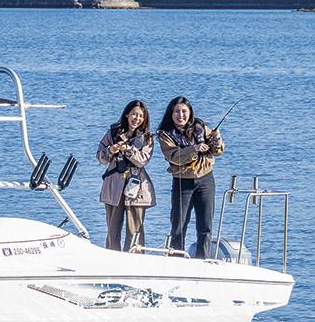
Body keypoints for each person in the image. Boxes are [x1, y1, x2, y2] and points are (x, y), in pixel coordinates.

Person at [157, 96, 224, 259]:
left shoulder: (201, 127)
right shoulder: (165, 134)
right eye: (177, 112)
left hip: (206, 179)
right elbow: (174, 157)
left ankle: (203, 260)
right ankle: (176, 260)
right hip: (182, 182)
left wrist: (216, 139)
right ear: (171, 113)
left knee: (205, 225)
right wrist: (194, 149)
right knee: (179, 225)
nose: (181, 115)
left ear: (190, 112)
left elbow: (218, 151)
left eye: (184, 111)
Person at [96, 100, 156, 251]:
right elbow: (100, 157)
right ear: (127, 114)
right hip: (114, 185)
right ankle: (111, 257)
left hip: (136, 187)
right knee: (112, 230)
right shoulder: (113, 133)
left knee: (135, 230)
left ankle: (135, 260)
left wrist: (128, 150)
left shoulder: (147, 137)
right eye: (134, 114)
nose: (137, 118)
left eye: (141, 116)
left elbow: (143, 160)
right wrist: (111, 150)